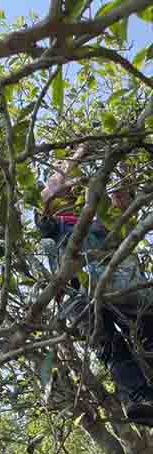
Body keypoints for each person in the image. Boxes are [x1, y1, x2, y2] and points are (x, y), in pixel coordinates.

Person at [39, 143, 153, 424]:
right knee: (111, 347)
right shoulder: (50, 221)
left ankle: (141, 397)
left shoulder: (99, 221)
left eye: (78, 188)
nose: (75, 189)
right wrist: (79, 154)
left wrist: (125, 163)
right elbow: (50, 190)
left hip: (117, 284)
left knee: (145, 330)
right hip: (79, 293)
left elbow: (123, 207)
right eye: (71, 187)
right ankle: (137, 397)